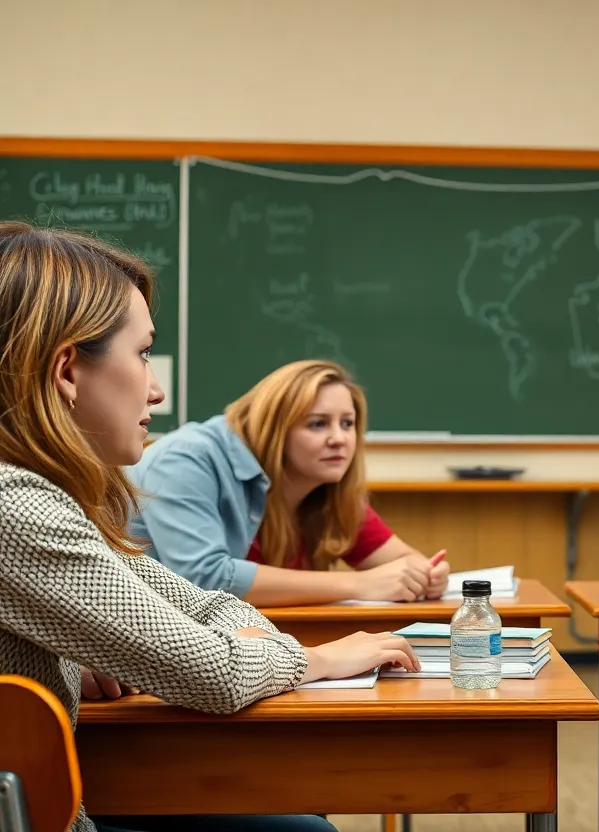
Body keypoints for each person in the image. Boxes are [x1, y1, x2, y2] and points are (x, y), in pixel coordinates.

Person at [0, 221, 419, 832]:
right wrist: (315, 659)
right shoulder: (19, 509)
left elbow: (199, 602)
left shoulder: (53, 499)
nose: (158, 391)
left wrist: (75, 658)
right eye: (143, 355)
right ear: (67, 371)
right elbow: (213, 672)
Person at [127, 360, 451, 607]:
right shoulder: (186, 459)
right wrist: (361, 585)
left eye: (347, 424)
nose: (339, 439)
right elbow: (205, 579)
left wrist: (427, 576)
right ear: (276, 429)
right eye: (318, 424)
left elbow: (404, 564)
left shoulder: (324, 488)